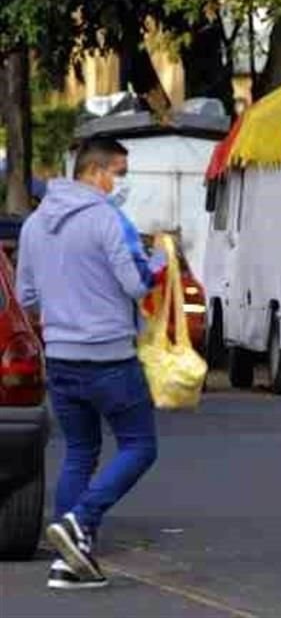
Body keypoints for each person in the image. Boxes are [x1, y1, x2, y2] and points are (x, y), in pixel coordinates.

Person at [16, 137, 166, 590]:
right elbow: (138, 283)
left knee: (80, 452)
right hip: (110, 357)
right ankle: (81, 521)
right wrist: (161, 259)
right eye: (120, 172)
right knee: (140, 445)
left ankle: (69, 560)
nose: (122, 183)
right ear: (96, 171)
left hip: (60, 358)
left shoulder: (35, 223)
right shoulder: (108, 219)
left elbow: (26, 296)